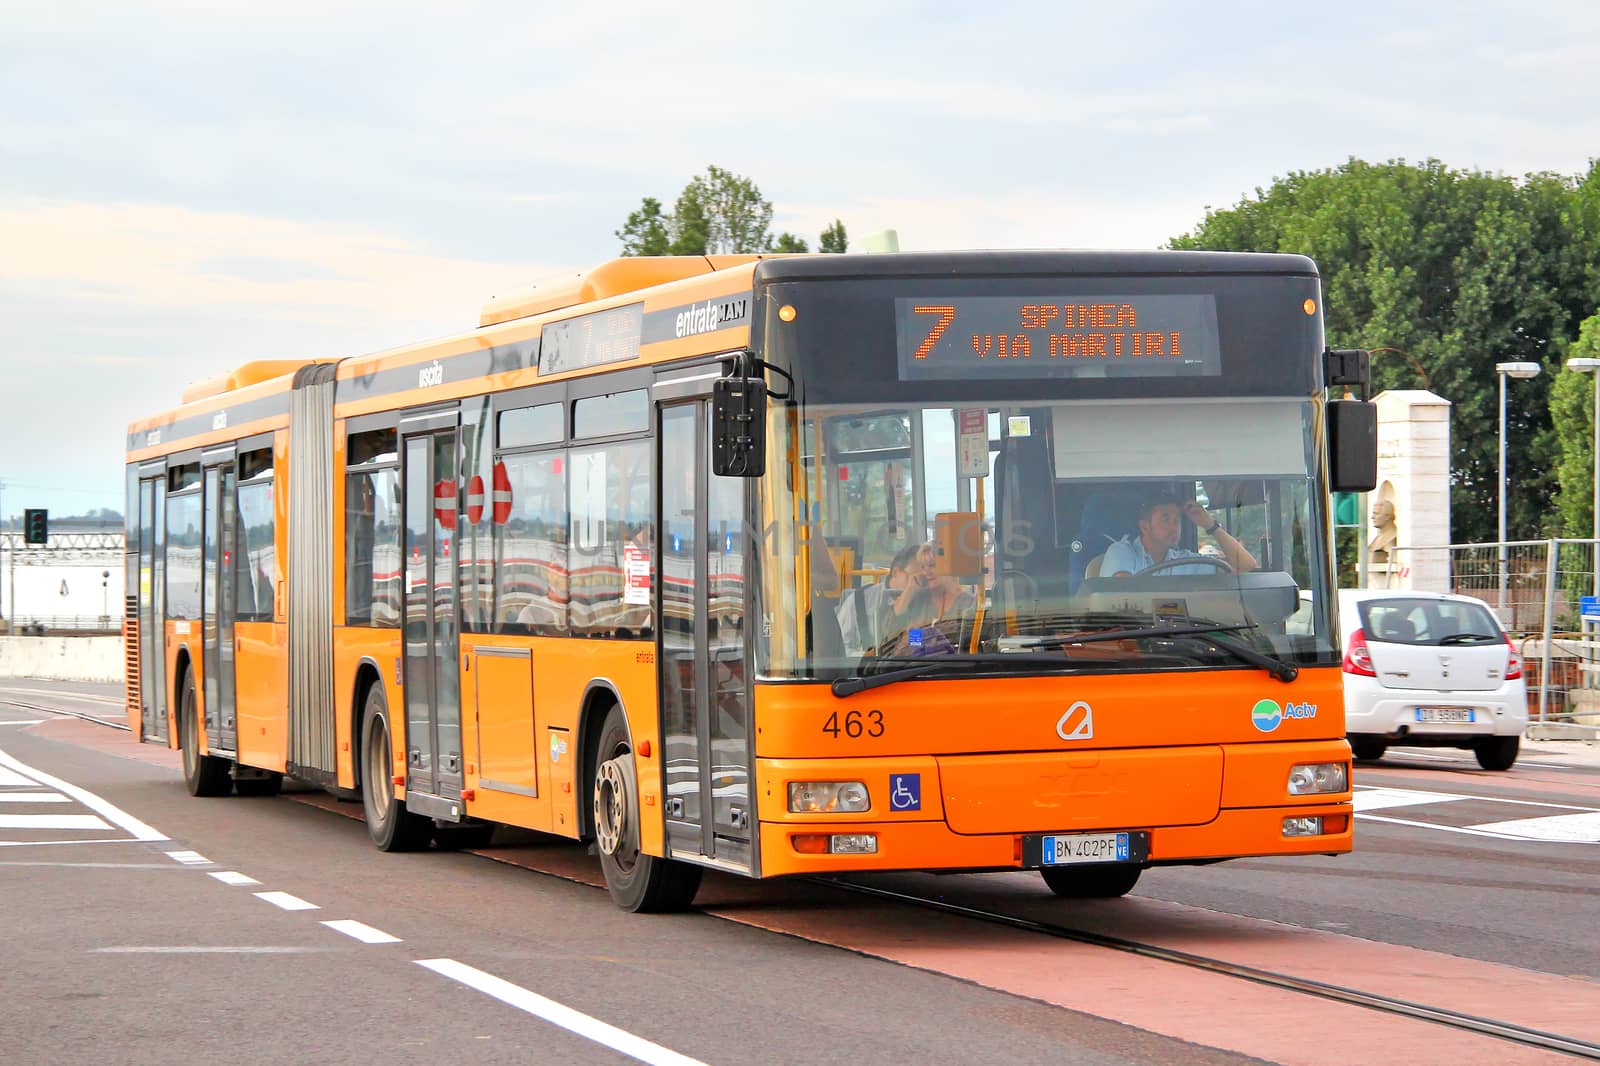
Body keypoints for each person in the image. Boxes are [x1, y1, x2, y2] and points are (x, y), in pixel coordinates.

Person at [1101, 493, 1257, 577]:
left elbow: (1245, 565)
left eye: (1177, 520)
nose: (1174, 527)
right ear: (1145, 526)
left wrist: (1210, 525)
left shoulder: (1185, 560)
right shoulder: (1122, 552)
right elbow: (1125, 596)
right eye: (1165, 519)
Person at [836, 542, 933, 656]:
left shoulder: (924, 604)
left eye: (923, 579)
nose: (918, 584)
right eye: (915, 577)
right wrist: (864, 656)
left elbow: (921, 647)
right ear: (896, 572)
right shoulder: (859, 601)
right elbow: (838, 648)